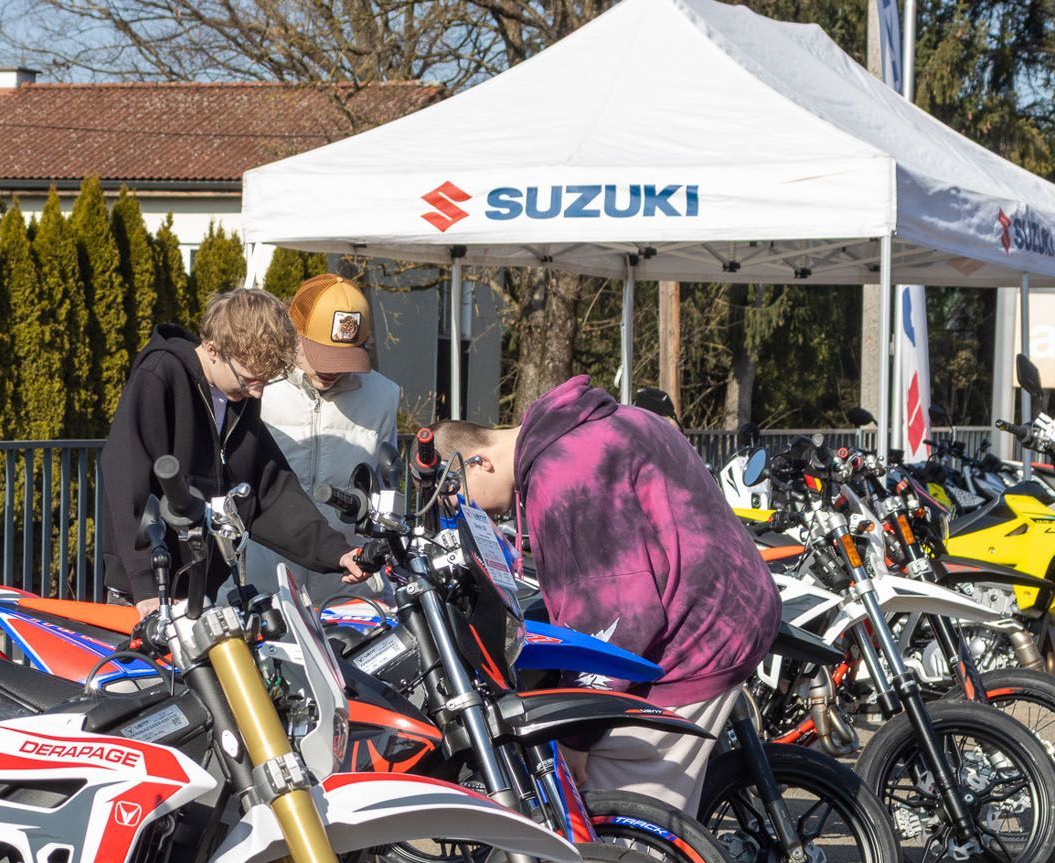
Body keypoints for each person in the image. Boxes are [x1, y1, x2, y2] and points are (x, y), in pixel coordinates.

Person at [434, 377, 781, 814]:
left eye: (462, 499)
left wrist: (578, 738)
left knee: (612, 816)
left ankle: (649, 861)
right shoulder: (609, 422)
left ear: (478, 462)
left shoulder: (563, 475)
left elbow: (618, 614)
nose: (474, 513)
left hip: (696, 641)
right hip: (733, 606)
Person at [101, 288, 370, 613]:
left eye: (264, 382)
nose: (257, 393)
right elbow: (127, 479)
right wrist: (144, 583)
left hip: (196, 589)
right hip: (144, 592)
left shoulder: (238, 400)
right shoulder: (160, 375)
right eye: (248, 380)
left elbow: (271, 490)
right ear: (213, 349)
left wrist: (336, 552)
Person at [252, 274, 404, 601]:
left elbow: (383, 491)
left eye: (344, 356)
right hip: (268, 583)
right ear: (293, 333)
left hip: (349, 587)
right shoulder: (257, 388)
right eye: (322, 353)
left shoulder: (383, 396)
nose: (332, 369)